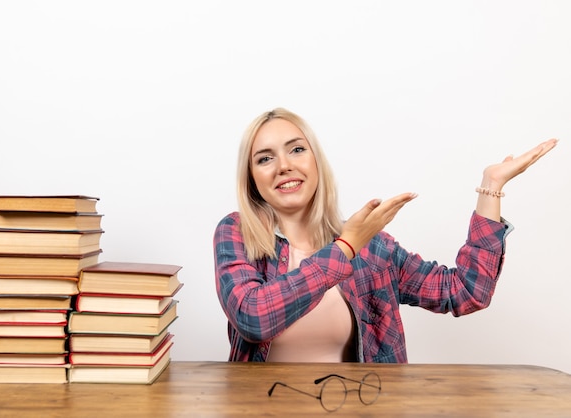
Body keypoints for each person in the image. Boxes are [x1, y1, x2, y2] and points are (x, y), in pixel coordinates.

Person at [213, 107, 557, 363]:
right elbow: (253, 318)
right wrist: (345, 247)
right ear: (252, 178)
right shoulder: (237, 233)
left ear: (316, 162)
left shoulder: (372, 248)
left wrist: (490, 187)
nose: (284, 165)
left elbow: (467, 292)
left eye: (297, 149)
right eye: (264, 158)